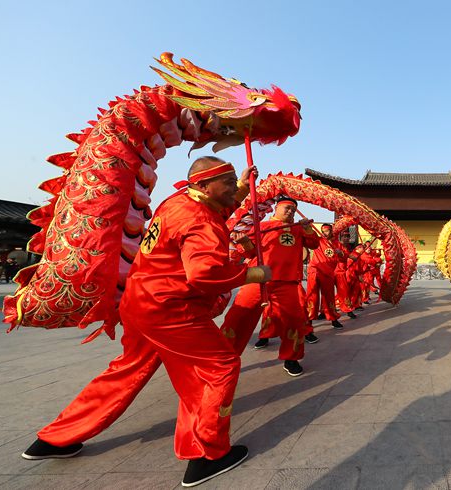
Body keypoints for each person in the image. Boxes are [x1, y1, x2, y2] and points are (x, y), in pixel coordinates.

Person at [20, 156, 272, 488]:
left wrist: (239, 187)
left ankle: (54, 439)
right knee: (219, 366)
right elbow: (203, 273)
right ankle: (207, 455)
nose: (230, 189)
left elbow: (215, 210)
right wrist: (252, 273)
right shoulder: (200, 220)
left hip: (139, 303)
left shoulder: (177, 202)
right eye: (225, 183)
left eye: (231, 182)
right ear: (203, 185)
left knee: (126, 371)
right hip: (171, 309)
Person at [219, 195, 318, 377]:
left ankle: (291, 357)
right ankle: (222, 359)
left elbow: (314, 243)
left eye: (293, 210)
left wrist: (307, 228)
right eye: (287, 208)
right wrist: (243, 242)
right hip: (257, 279)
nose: (290, 212)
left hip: (287, 282)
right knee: (237, 318)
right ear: (276, 209)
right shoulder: (260, 228)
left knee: (295, 321)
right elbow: (249, 254)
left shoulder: (298, 229)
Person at [305, 223, 344, 329]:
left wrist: (340, 253)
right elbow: (309, 240)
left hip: (328, 273)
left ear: (332, 231)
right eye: (323, 231)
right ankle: (309, 321)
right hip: (315, 270)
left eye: (327, 230)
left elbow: (343, 259)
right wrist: (307, 228)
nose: (324, 233)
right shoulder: (318, 240)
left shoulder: (337, 244)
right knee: (312, 296)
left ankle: (333, 319)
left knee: (329, 297)